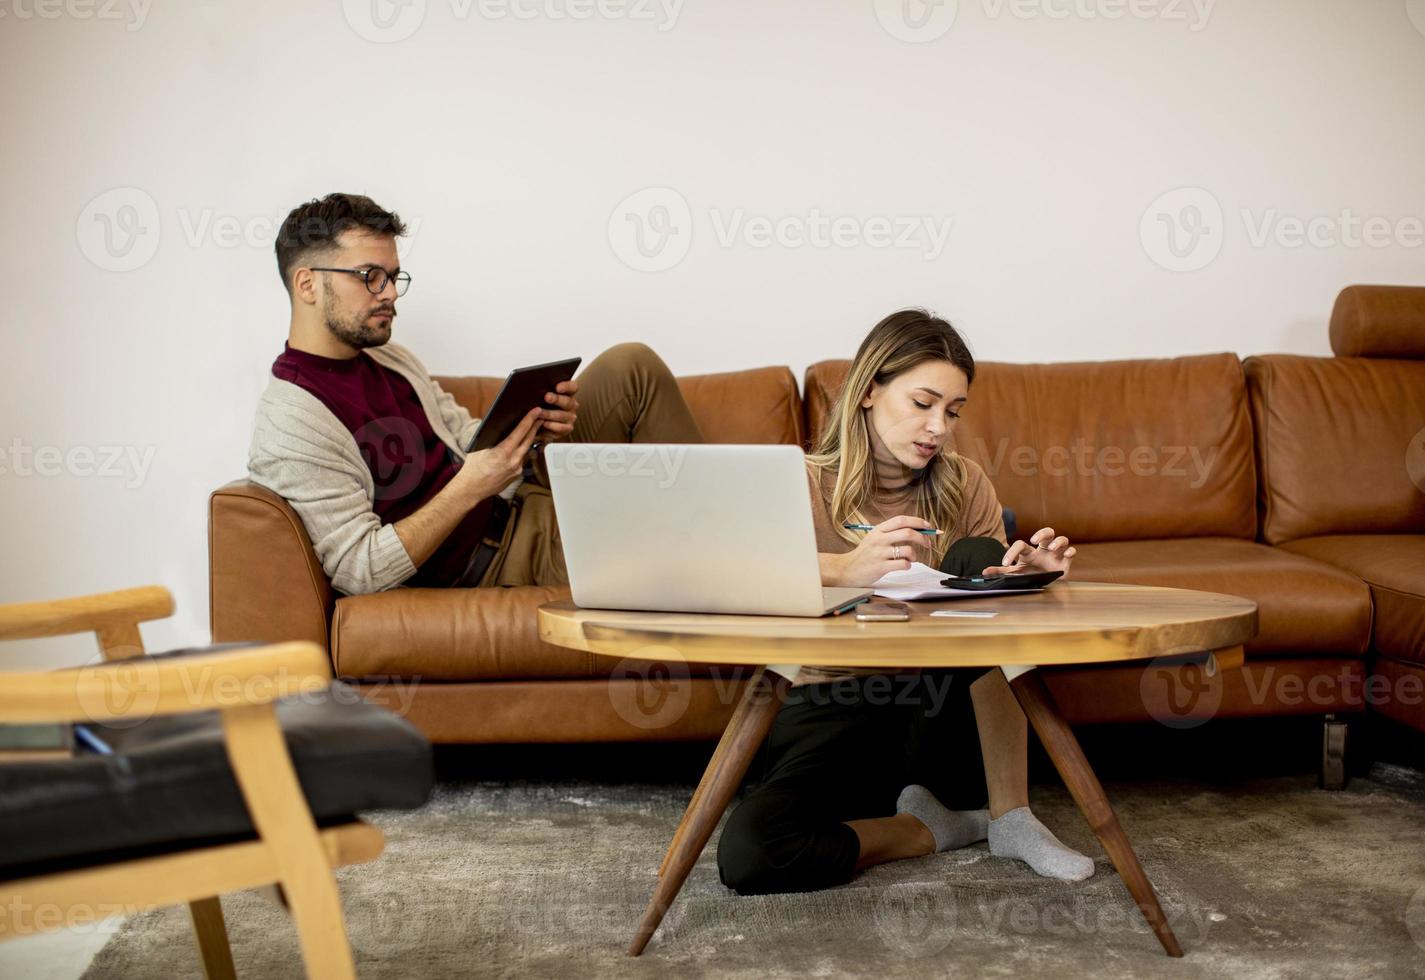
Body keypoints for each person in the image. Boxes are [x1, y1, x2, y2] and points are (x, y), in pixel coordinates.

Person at [716, 309, 1093, 895]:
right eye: (923, 403)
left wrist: (1024, 579)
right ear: (869, 391)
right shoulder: (799, 486)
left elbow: (995, 612)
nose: (939, 426)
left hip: (939, 708)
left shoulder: (965, 483)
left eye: (953, 410)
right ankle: (927, 830)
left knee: (974, 555)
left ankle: (1011, 816)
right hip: (832, 701)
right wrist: (843, 569)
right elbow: (731, 577)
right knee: (752, 852)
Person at [248, 192, 703, 594]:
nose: (389, 294)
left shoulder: (390, 359)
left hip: (518, 494)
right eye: (369, 276)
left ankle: (716, 524)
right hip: (499, 558)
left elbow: (467, 437)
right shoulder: (292, 421)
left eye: (392, 276)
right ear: (307, 284)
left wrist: (540, 431)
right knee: (677, 552)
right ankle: (725, 546)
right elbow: (357, 569)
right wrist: (468, 488)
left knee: (632, 364)